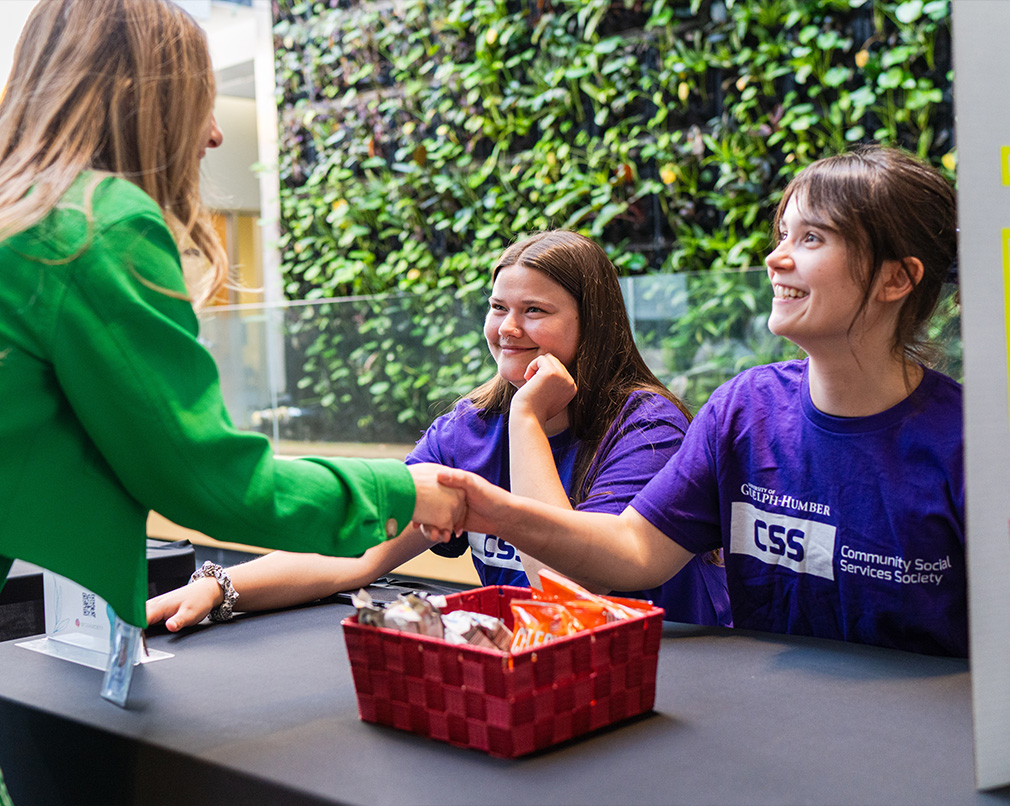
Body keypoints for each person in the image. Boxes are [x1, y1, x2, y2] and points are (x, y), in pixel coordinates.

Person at [0, 0, 463, 635]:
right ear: (142, 98)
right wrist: (401, 492)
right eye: (199, 102)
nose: (214, 134)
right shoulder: (93, 225)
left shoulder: (20, 214)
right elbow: (206, 479)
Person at [437, 146, 966, 657]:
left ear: (897, 278)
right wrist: (500, 511)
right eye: (783, 234)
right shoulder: (744, 409)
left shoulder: (969, 442)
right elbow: (635, 549)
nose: (775, 257)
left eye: (811, 238)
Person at [147, 230, 732, 631]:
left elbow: (567, 592)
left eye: (536, 311)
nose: (508, 328)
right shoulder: (469, 428)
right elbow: (360, 553)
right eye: (497, 306)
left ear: (594, 326)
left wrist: (526, 420)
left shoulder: (647, 428)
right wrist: (221, 587)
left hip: (660, 679)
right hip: (541, 674)